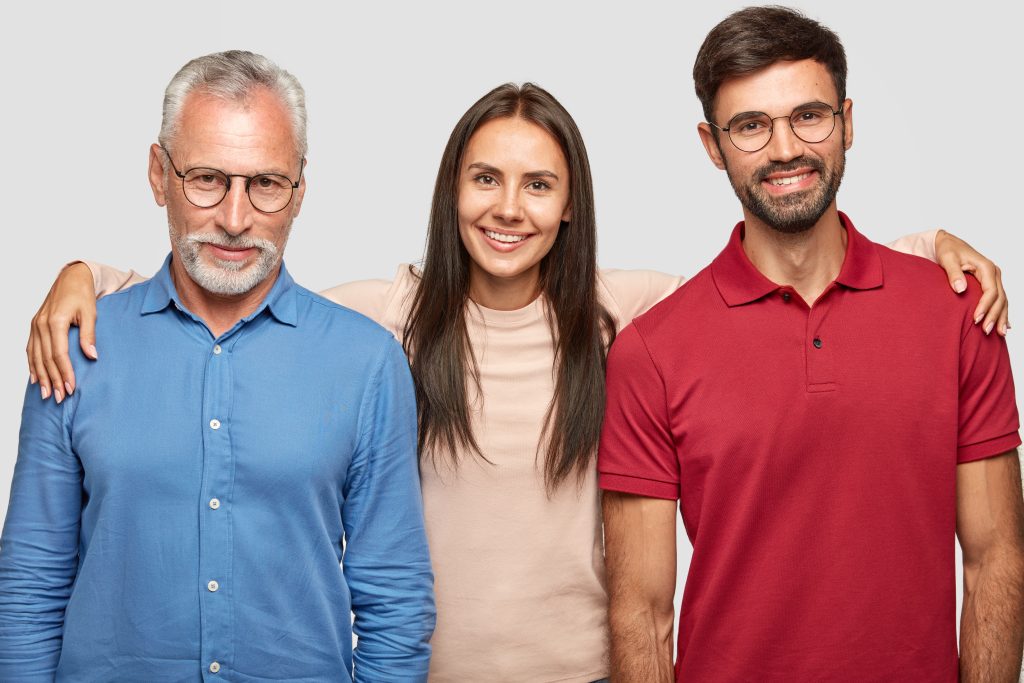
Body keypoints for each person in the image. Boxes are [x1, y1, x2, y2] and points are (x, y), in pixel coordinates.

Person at [21, 80, 1010, 682]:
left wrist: (935, 247)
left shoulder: (631, 315)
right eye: (484, 178)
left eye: (537, 183)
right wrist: (89, 275)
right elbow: (229, 281)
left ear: (570, 204)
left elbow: (789, 262)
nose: (509, 206)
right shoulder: (382, 319)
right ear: (451, 191)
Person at [598, 7, 1024, 682]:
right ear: (712, 145)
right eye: (750, 127)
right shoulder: (651, 351)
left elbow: (995, 558)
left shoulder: (958, 313)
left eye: (809, 116)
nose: (785, 149)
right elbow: (642, 613)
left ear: (848, 122)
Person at [0, 51, 434, 681]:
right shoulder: (75, 346)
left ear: (299, 191)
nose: (235, 220)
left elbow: (393, 595)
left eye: (265, 183)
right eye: (207, 179)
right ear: (158, 174)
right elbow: (31, 580)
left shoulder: (367, 363)